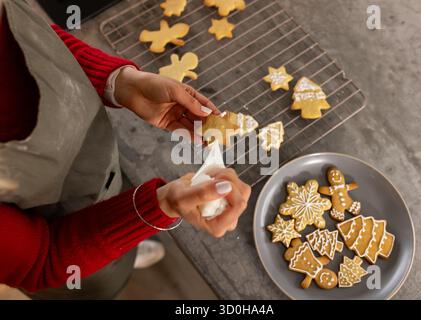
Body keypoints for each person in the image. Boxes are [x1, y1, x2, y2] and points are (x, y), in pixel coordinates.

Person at [0, 0, 250, 299]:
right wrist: (160, 205)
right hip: (68, 250)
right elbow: (42, 260)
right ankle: (119, 262)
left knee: (112, 193)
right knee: (101, 278)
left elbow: (26, 37)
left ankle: (124, 237)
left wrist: (119, 81)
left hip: (93, 160)